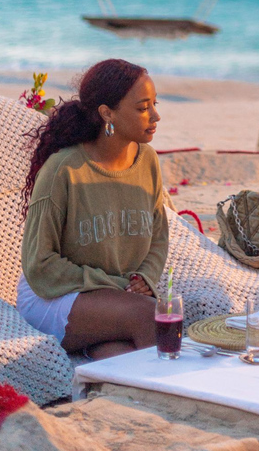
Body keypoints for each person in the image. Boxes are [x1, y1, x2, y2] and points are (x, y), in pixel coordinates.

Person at [17, 59, 168, 360]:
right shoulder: (64, 169)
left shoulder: (148, 160)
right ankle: (174, 391)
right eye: (142, 108)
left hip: (113, 296)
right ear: (106, 113)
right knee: (152, 316)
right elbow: (39, 264)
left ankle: (102, 361)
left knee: (123, 354)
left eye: (155, 104)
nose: (155, 116)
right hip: (53, 294)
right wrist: (118, 285)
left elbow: (159, 236)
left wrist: (145, 279)